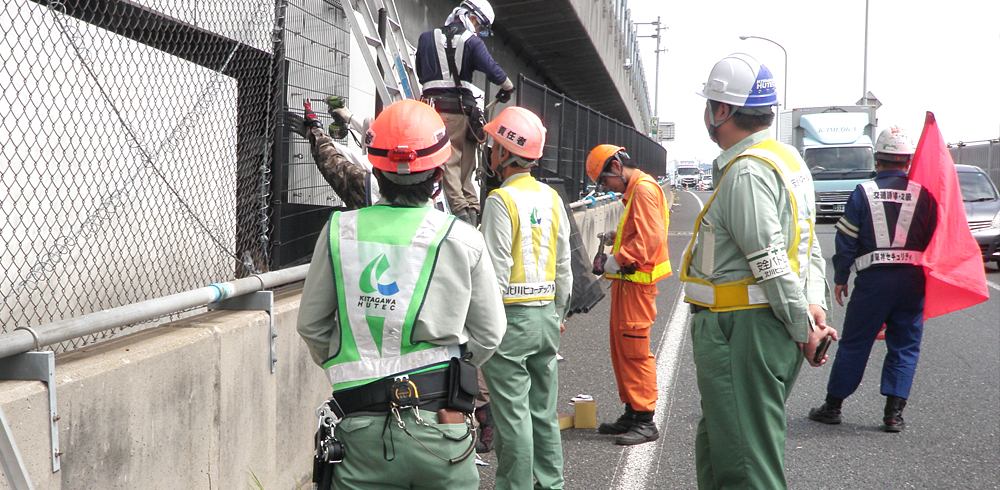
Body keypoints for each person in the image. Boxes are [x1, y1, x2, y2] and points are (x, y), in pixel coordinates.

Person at [296, 99, 507, 489]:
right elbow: (489, 334)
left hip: (359, 426)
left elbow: (311, 325)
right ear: (438, 176)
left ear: (375, 170)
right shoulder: (463, 238)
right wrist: (452, 367)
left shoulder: (340, 230)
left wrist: (351, 366)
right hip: (442, 424)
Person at [680, 53, 838, 489]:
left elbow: (769, 260)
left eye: (710, 103)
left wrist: (801, 326)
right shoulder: (788, 161)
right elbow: (806, 248)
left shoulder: (747, 172)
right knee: (720, 447)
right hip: (761, 326)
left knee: (746, 467)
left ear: (723, 110)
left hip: (743, 331)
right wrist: (813, 305)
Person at [808, 126, 938, 432]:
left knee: (855, 343)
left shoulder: (863, 193)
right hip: (912, 281)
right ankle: (894, 415)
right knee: (905, 345)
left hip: (873, 282)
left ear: (876, 161)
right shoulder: (925, 196)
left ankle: (833, 407)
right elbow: (936, 238)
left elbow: (847, 239)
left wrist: (841, 277)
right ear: (907, 162)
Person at [479, 106, 572, 488]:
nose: (488, 151)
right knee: (543, 412)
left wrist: (482, 328)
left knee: (512, 416)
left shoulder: (501, 201)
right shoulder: (551, 198)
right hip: (547, 315)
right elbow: (565, 265)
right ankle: (551, 484)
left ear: (504, 152)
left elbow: (495, 274)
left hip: (510, 321)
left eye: (492, 145)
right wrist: (559, 313)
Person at [585, 144, 672, 446]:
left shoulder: (644, 190)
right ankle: (632, 412)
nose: (605, 187)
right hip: (628, 283)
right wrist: (616, 239)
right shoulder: (635, 190)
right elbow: (640, 232)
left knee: (635, 353)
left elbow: (651, 239)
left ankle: (645, 420)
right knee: (622, 350)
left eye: (605, 180)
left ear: (615, 167)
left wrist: (616, 258)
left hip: (636, 284)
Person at [416, 0, 515, 226]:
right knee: (465, 168)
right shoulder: (472, 42)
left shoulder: (425, 38)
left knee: (448, 163)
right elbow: (494, 71)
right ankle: (470, 215)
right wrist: (508, 88)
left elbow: (422, 74)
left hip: (434, 112)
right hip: (464, 115)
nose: (479, 32)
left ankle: (463, 216)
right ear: (472, 18)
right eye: (480, 27)